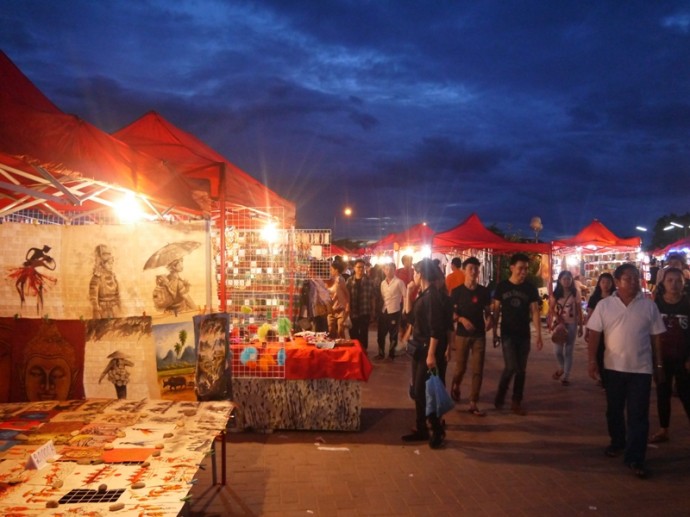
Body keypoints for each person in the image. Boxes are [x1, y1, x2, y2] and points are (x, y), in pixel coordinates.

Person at [586, 264, 666, 479]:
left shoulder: (649, 306)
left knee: (638, 415)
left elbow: (657, 337)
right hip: (613, 368)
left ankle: (635, 457)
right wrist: (592, 360)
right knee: (614, 410)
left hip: (641, 369)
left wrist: (659, 365)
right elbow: (594, 334)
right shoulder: (605, 305)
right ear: (617, 281)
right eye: (628, 278)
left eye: (636, 278)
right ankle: (618, 442)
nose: (633, 282)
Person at [401, 258, 447, 448]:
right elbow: (409, 317)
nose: (414, 276)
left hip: (427, 351)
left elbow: (436, 328)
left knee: (423, 391)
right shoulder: (424, 294)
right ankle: (421, 428)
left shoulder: (432, 297)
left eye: (415, 273)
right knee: (418, 391)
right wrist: (408, 293)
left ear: (421, 274)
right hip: (419, 350)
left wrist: (431, 354)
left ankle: (436, 428)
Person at [491, 253, 543, 415]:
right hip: (507, 334)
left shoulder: (530, 288)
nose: (523, 272)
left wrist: (539, 335)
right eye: (520, 268)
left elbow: (534, 311)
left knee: (521, 370)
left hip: (524, 334)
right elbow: (496, 310)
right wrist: (494, 331)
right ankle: (501, 393)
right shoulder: (502, 287)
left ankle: (516, 401)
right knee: (511, 366)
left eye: (526, 269)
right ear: (512, 268)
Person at [648, 267, 690, 444]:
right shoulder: (655, 304)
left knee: (687, 394)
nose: (674, 284)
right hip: (661, 357)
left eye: (678, 281)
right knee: (663, 393)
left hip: (684, 358)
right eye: (670, 280)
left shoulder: (688, 303)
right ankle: (664, 429)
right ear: (663, 283)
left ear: (684, 283)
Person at [450, 257, 492, 415]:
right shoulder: (457, 292)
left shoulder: (483, 291)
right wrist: (461, 319)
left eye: (476, 269)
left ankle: (473, 401)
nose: (474, 272)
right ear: (465, 271)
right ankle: (456, 385)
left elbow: (488, 311)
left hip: (479, 334)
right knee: (460, 368)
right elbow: (451, 313)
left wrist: (489, 319)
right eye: (471, 269)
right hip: (462, 335)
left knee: (478, 369)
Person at [548, 271, 583, 386]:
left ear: (572, 280)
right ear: (559, 280)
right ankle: (562, 368)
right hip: (559, 324)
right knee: (557, 350)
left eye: (568, 279)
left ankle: (566, 376)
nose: (567, 281)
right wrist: (557, 317)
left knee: (568, 350)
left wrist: (581, 326)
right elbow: (551, 309)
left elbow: (579, 310)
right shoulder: (556, 294)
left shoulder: (575, 293)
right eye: (564, 279)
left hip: (572, 323)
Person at [584, 273, 616, 387]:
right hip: (598, 330)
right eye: (603, 282)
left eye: (608, 282)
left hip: (612, 330)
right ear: (599, 283)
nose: (605, 285)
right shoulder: (595, 298)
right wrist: (587, 329)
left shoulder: (616, 297)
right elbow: (590, 313)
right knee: (599, 353)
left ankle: (609, 377)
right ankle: (603, 378)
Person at [376, 262, 406, 360]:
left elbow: (405, 296)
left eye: (391, 269)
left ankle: (391, 354)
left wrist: (404, 309)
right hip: (384, 310)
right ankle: (381, 353)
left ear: (394, 270)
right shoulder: (383, 283)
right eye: (387, 269)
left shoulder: (399, 282)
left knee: (393, 335)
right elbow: (383, 296)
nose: (389, 271)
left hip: (395, 311)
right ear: (384, 271)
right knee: (380, 334)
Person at [346, 259, 375, 351]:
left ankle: (363, 351)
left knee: (364, 333)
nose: (361, 269)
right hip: (353, 311)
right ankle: (355, 350)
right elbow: (346, 296)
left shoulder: (369, 281)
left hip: (365, 310)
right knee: (353, 333)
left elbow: (372, 297)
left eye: (362, 267)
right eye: (358, 267)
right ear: (354, 268)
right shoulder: (350, 281)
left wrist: (373, 311)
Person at [89, 244, 121, 319]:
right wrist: (98, 310)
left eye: (112, 263)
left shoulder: (113, 277)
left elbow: (117, 295)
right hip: (102, 311)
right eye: (109, 263)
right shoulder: (97, 278)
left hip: (114, 311)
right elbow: (93, 298)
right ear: (103, 264)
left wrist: (118, 308)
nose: (111, 265)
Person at [297, 261, 330, 332]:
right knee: (309, 330)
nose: (308, 271)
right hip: (309, 312)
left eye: (310, 269)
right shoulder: (308, 281)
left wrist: (326, 306)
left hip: (317, 312)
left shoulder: (317, 281)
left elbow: (324, 296)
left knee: (318, 332)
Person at [326, 259, 350, 338]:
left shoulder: (340, 279)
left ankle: (343, 347)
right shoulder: (330, 280)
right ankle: (333, 348)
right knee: (331, 330)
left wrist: (347, 305)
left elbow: (346, 293)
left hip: (340, 308)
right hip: (331, 309)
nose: (330, 271)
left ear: (336, 270)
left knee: (340, 330)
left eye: (331, 269)